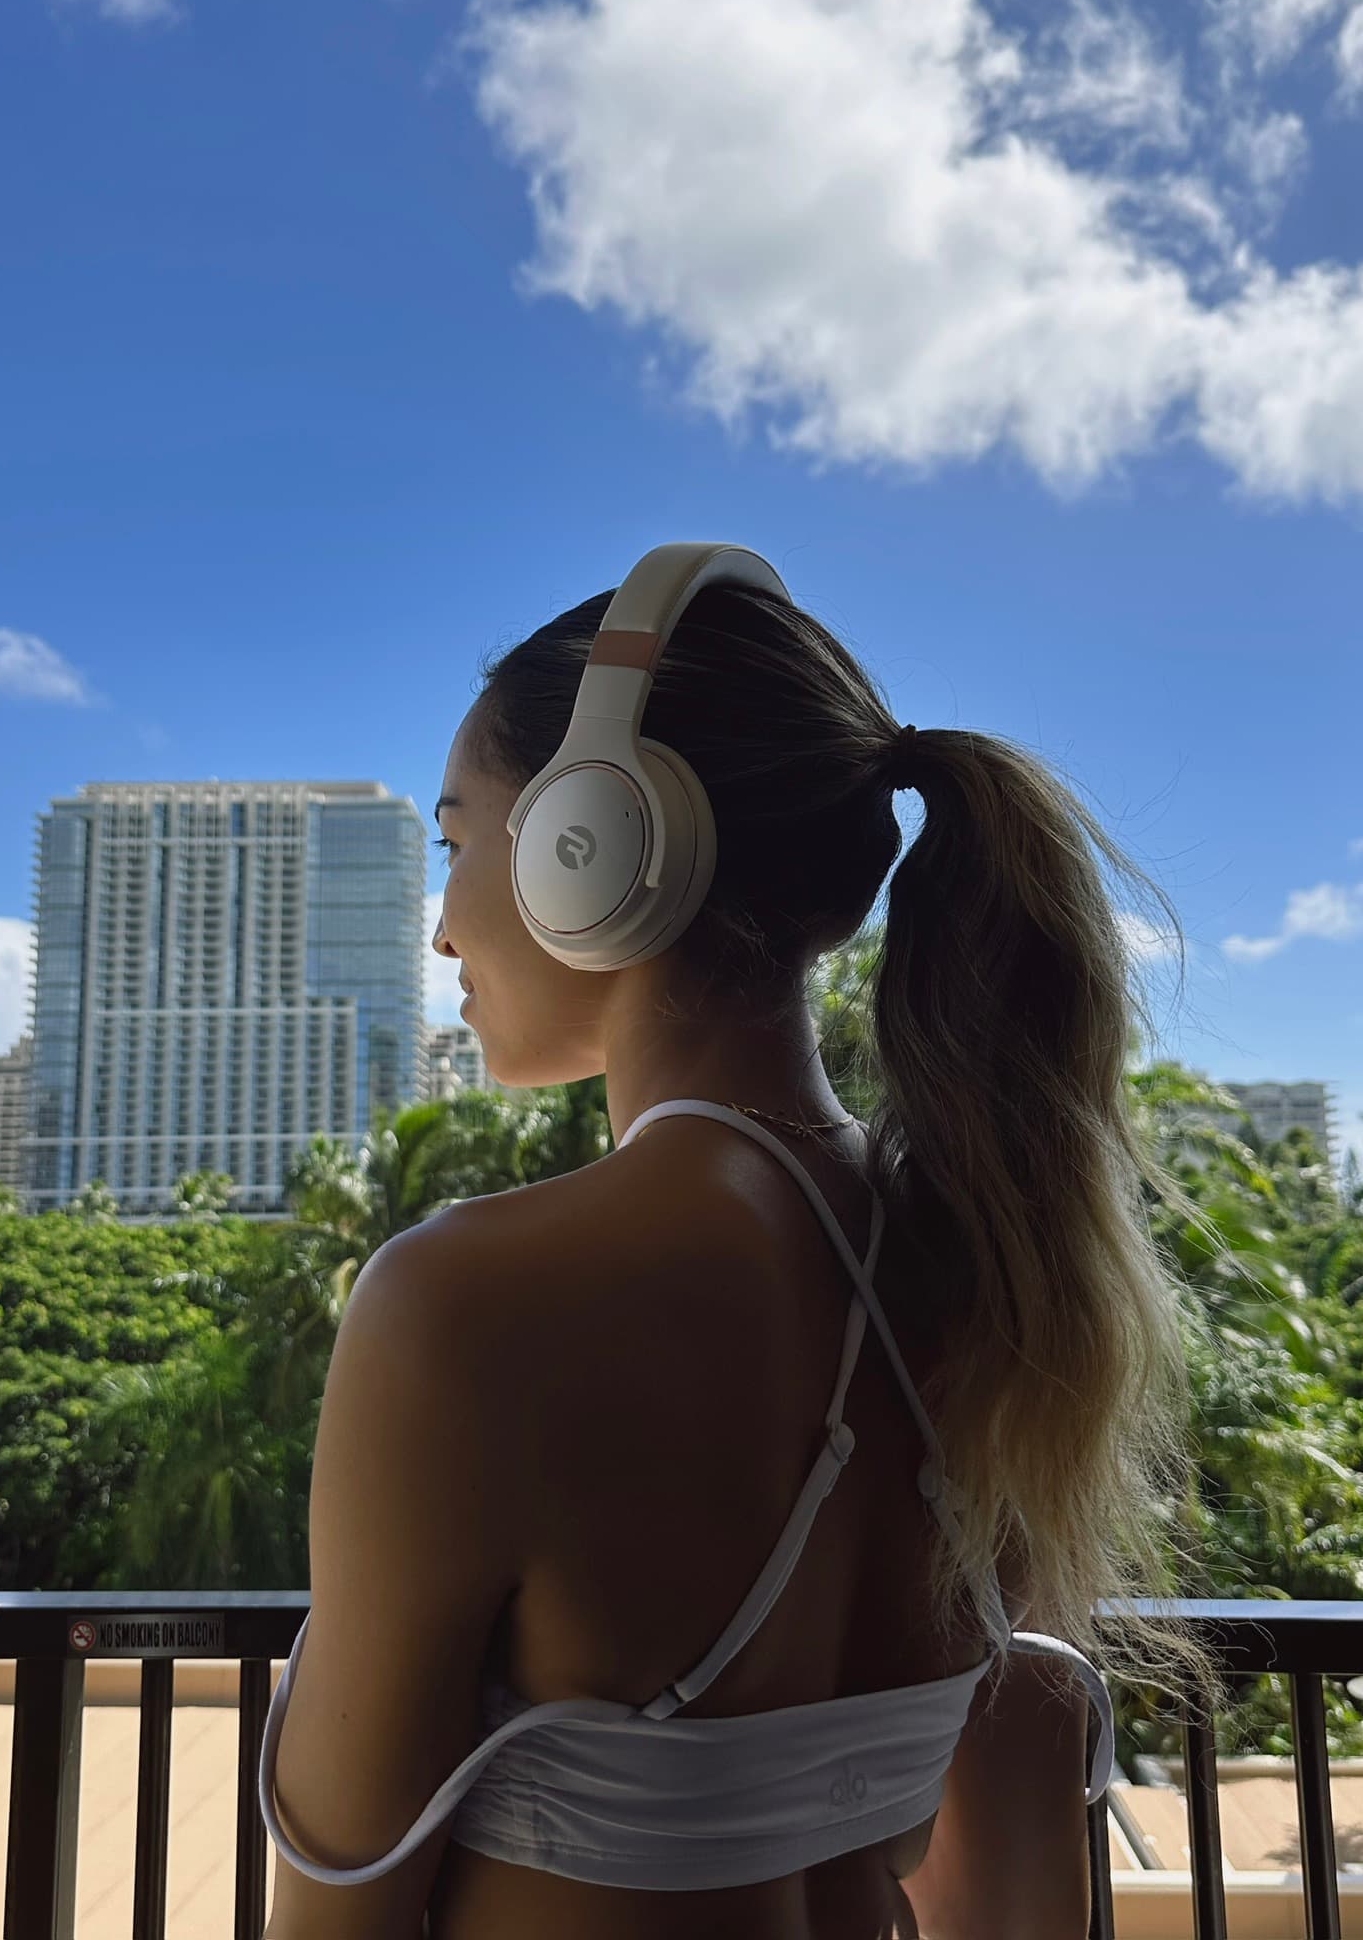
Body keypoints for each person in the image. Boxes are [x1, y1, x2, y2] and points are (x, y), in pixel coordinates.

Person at [260, 546, 1218, 1940]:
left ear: (595, 849)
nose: (442, 923)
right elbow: (1007, 1830)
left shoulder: (464, 1303)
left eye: (462, 842)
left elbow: (335, 1920)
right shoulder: (999, 1280)